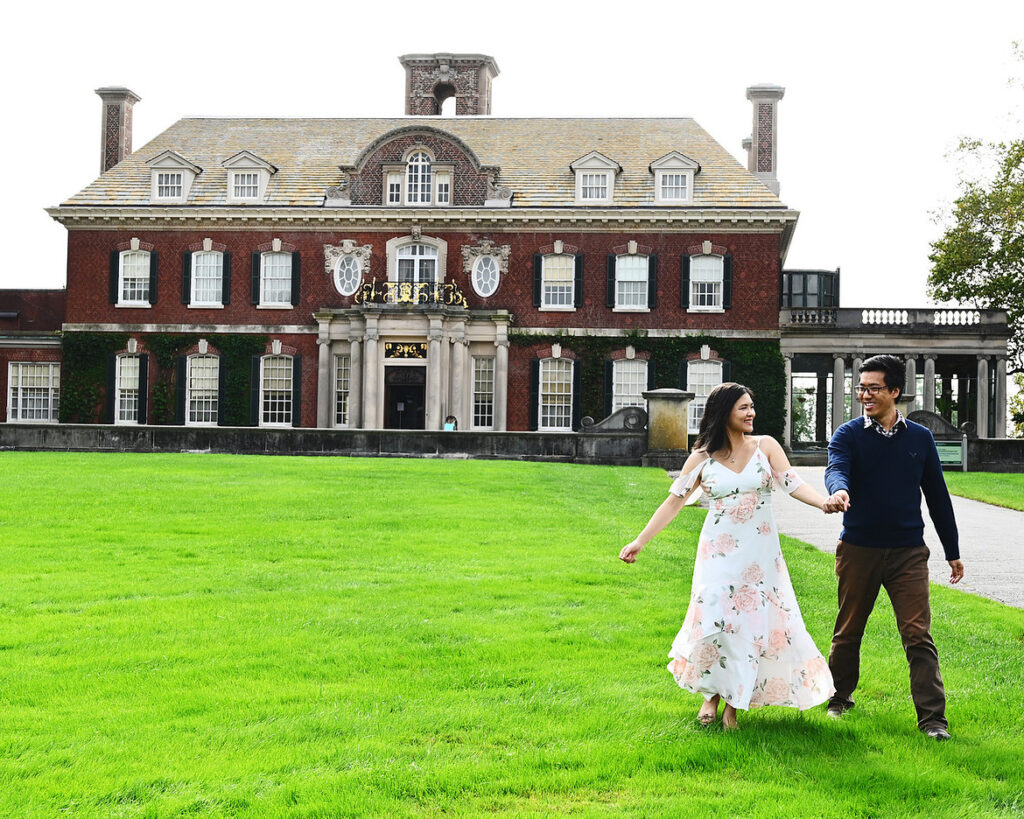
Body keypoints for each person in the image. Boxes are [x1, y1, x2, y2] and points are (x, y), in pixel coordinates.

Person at [620, 382, 836, 730]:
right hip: (718, 554)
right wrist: (640, 541)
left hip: (760, 554)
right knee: (715, 620)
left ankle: (734, 704)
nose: (751, 413)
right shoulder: (701, 458)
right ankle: (710, 696)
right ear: (724, 413)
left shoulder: (766, 446)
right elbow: (674, 502)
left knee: (750, 624)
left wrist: (824, 502)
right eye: (743, 408)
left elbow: (793, 484)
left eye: (751, 406)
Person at [822, 354, 963, 741]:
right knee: (849, 629)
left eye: (874, 388)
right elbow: (836, 467)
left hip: (908, 552)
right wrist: (839, 490)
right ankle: (839, 697)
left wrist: (952, 551)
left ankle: (933, 720)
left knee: (918, 634)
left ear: (896, 391)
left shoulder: (920, 438)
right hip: (858, 548)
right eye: (861, 388)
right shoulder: (848, 434)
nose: (864, 395)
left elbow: (938, 497)